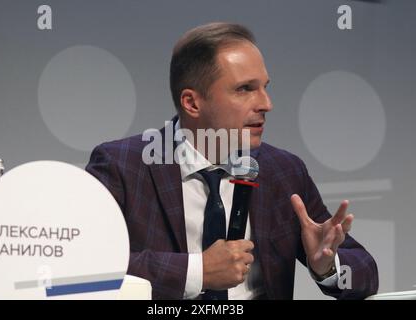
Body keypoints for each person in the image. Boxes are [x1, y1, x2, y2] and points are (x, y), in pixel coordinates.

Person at [85, 22, 378, 299]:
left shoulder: (283, 171)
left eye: (265, 86)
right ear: (192, 103)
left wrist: (326, 265)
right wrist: (198, 272)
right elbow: (86, 267)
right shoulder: (122, 165)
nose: (266, 104)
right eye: (245, 89)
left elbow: (364, 272)